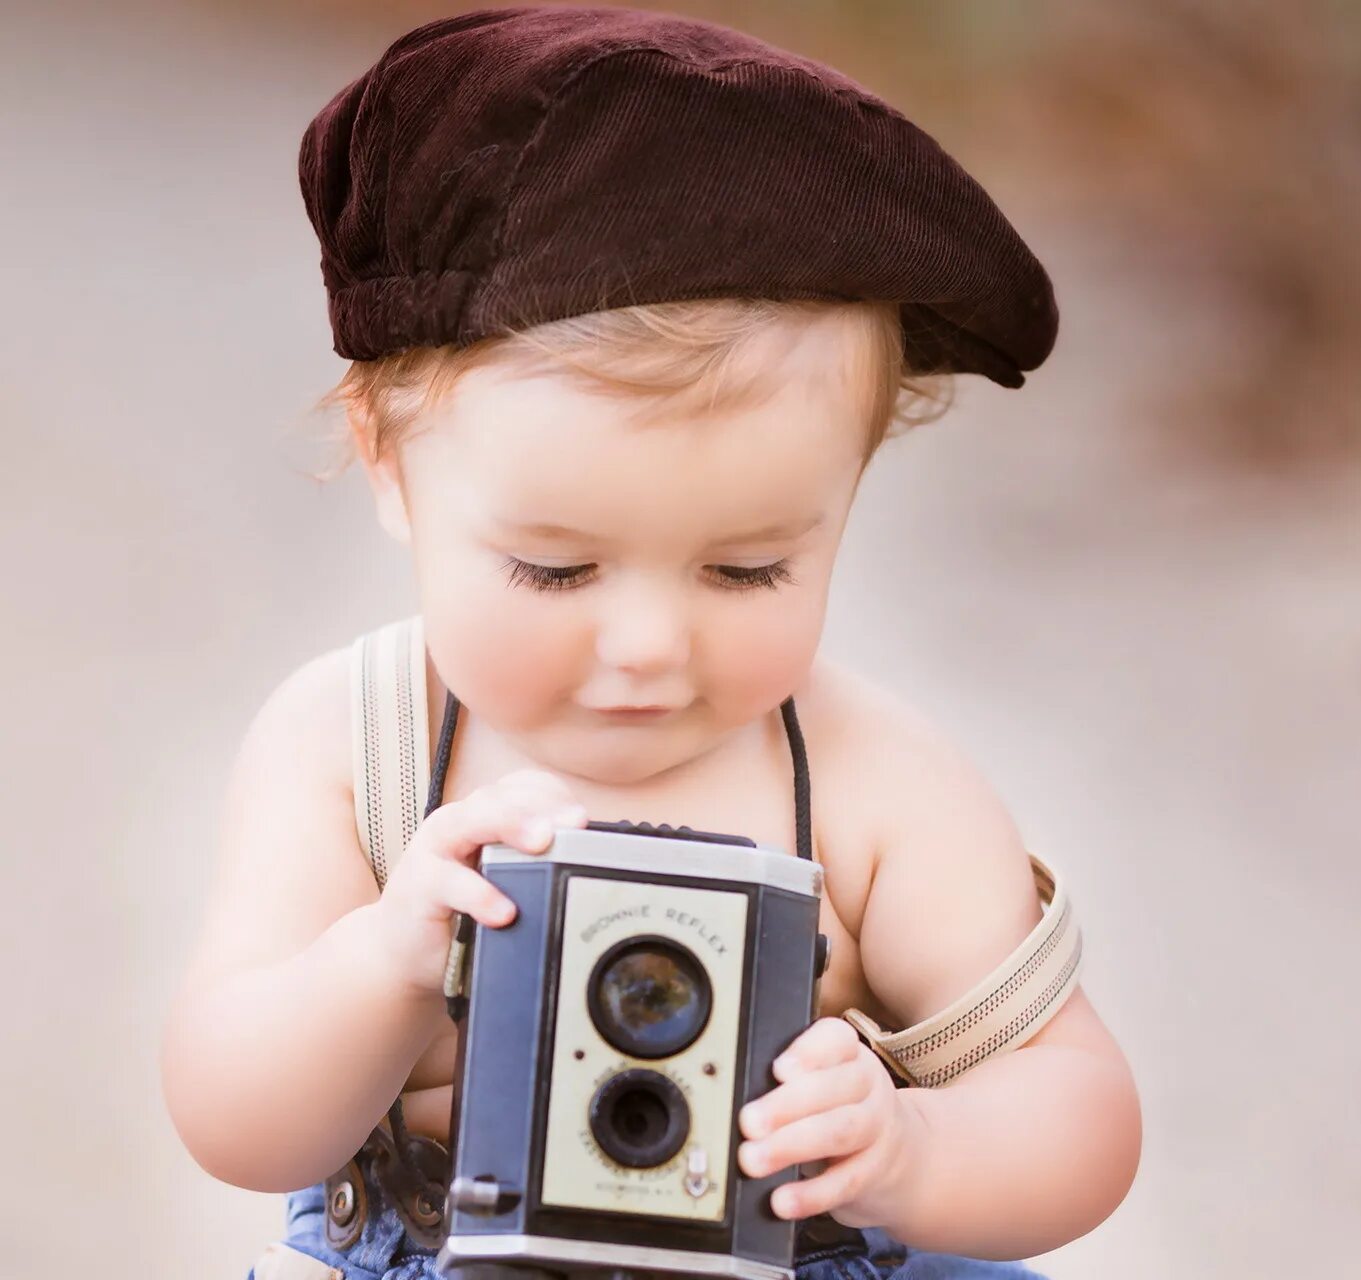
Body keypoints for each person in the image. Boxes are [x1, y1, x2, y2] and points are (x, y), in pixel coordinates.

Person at [159, 8, 1141, 1280]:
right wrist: (382, 967)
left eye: (749, 568)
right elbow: (231, 1114)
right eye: (554, 567)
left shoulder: (866, 777)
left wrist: (918, 1147)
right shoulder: (359, 745)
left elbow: (1080, 1107)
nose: (646, 646)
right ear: (388, 463)